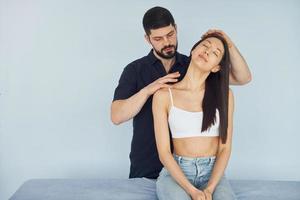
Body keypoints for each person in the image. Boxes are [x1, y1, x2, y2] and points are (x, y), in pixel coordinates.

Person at [111, 6, 251, 180]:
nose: (166, 42)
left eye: (170, 35)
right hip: (146, 167)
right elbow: (116, 116)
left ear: (176, 28)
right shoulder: (135, 70)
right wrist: (148, 90)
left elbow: (243, 78)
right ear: (148, 39)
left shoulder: (194, 64)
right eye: (158, 38)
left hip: (189, 171)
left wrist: (228, 45)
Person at [153, 33, 235, 200]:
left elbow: (225, 148)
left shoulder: (225, 95)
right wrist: (192, 191)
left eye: (215, 52)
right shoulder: (163, 95)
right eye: (205, 45)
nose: (207, 51)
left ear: (216, 67)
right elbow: (164, 153)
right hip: (176, 174)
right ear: (193, 50)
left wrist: (210, 189)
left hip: (213, 175)